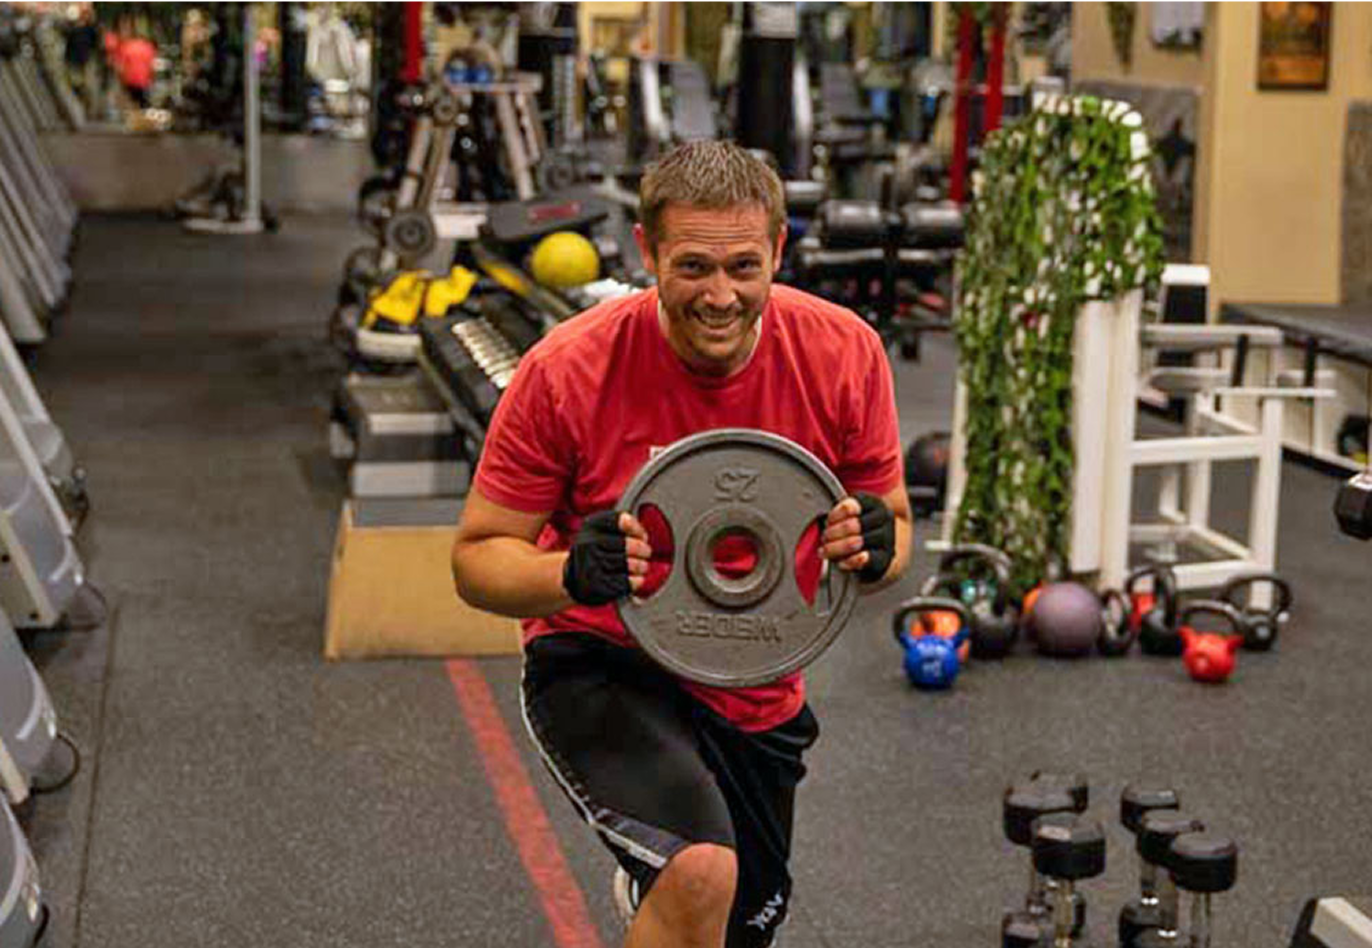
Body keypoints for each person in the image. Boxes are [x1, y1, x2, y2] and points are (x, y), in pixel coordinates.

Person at [450, 140, 911, 948]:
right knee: (701, 871)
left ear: (777, 251)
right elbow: (477, 559)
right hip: (604, 663)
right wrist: (569, 574)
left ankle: (659, 886)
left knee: (738, 924)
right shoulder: (566, 370)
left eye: (743, 266)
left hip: (757, 678)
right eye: (693, 266)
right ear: (648, 253)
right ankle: (671, 872)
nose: (720, 296)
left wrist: (875, 546)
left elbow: (895, 531)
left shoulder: (844, 353)